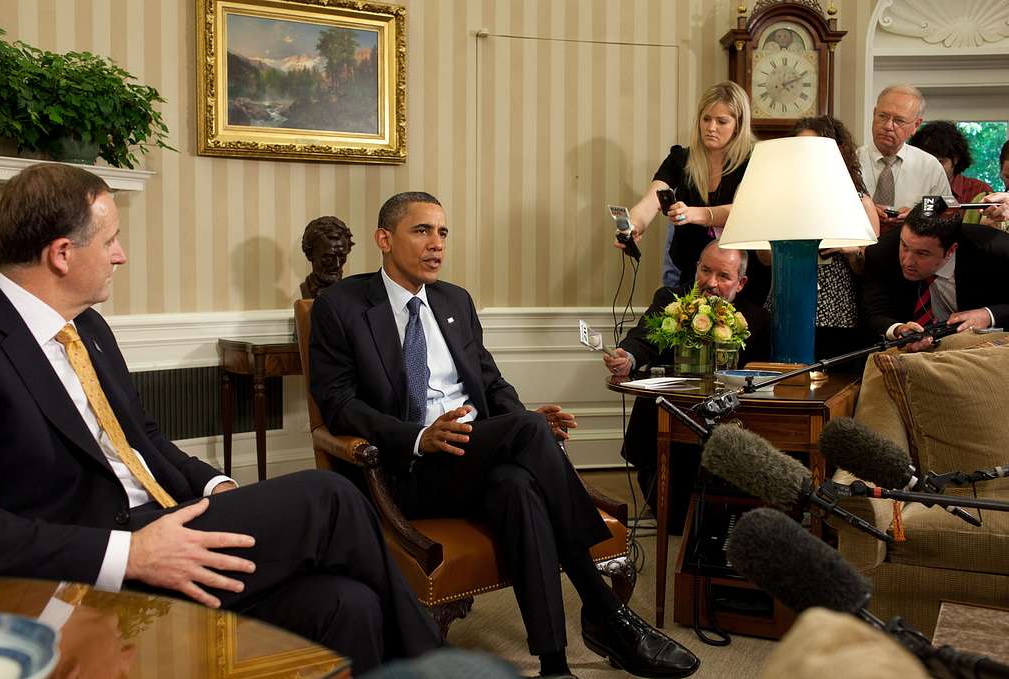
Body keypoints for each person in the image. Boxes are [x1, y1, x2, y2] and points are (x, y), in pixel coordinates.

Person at [0, 163, 441, 675]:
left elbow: (144, 440)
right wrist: (131, 552)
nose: (121, 254)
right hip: (91, 564)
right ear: (62, 254)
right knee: (329, 496)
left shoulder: (87, 327)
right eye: (111, 240)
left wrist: (216, 487)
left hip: (166, 519)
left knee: (349, 603)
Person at [310, 191, 700, 679]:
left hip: (472, 454)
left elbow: (491, 383)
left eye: (443, 232)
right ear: (384, 239)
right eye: (422, 231)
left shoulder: (454, 300)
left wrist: (525, 423)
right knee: (525, 444)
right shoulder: (340, 306)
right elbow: (339, 406)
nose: (437, 245)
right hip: (406, 467)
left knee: (518, 487)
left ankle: (555, 666)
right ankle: (604, 609)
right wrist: (418, 436)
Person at [603, 241, 769, 522]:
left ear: (740, 283)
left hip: (728, 427)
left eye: (723, 276)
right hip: (666, 426)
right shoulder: (669, 298)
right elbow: (643, 338)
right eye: (705, 271)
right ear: (696, 269)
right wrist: (628, 357)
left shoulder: (756, 318)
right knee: (674, 519)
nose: (711, 283)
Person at [616, 81, 766, 303]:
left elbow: (742, 211)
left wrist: (694, 214)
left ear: (739, 124)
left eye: (721, 121)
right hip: (690, 272)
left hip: (737, 280)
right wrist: (633, 226)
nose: (711, 127)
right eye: (706, 119)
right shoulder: (680, 159)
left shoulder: (755, 161)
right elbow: (650, 201)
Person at [775, 116, 880, 363]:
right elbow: (764, 259)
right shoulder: (779, 198)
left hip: (837, 313)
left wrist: (850, 249)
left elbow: (872, 270)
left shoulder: (859, 202)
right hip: (787, 307)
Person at [861, 201, 1009, 353]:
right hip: (912, 353)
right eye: (904, 246)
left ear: (951, 251)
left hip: (987, 348)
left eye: (922, 253)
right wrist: (899, 330)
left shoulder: (997, 252)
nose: (907, 261)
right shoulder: (881, 252)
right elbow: (874, 313)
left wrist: (989, 315)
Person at [856, 85, 951, 234]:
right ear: (874, 114)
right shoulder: (850, 161)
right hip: (859, 249)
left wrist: (917, 213)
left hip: (911, 250)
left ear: (916, 125)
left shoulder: (929, 166)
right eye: (882, 116)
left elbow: (947, 207)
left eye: (899, 121)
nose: (888, 126)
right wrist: (866, 211)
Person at [908, 120, 992, 204]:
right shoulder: (909, 188)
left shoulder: (980, 191)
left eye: (940, 162)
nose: (931, 169)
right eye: (924, 163)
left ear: (956, 159)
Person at [300, 215, 355, 299]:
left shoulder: (349, 292)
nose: (337, 265)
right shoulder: (306, 289)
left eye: (341, 257)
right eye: (328, 258)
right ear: (310, 254)